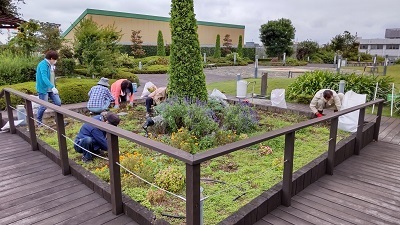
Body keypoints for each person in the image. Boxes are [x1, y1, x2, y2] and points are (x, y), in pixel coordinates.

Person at [36, 50, 61, 126]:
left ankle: (57, 121)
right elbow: (44, 78)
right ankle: (38, 122)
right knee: (43, 106)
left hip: (52, 89)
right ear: (52, 58)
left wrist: (53, 87)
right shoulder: (43, 65)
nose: (56, 61)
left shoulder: (50, 65)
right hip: (44, 89)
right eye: (55, 59)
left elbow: (51, 77)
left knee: (58, 103)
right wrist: (52, 87)